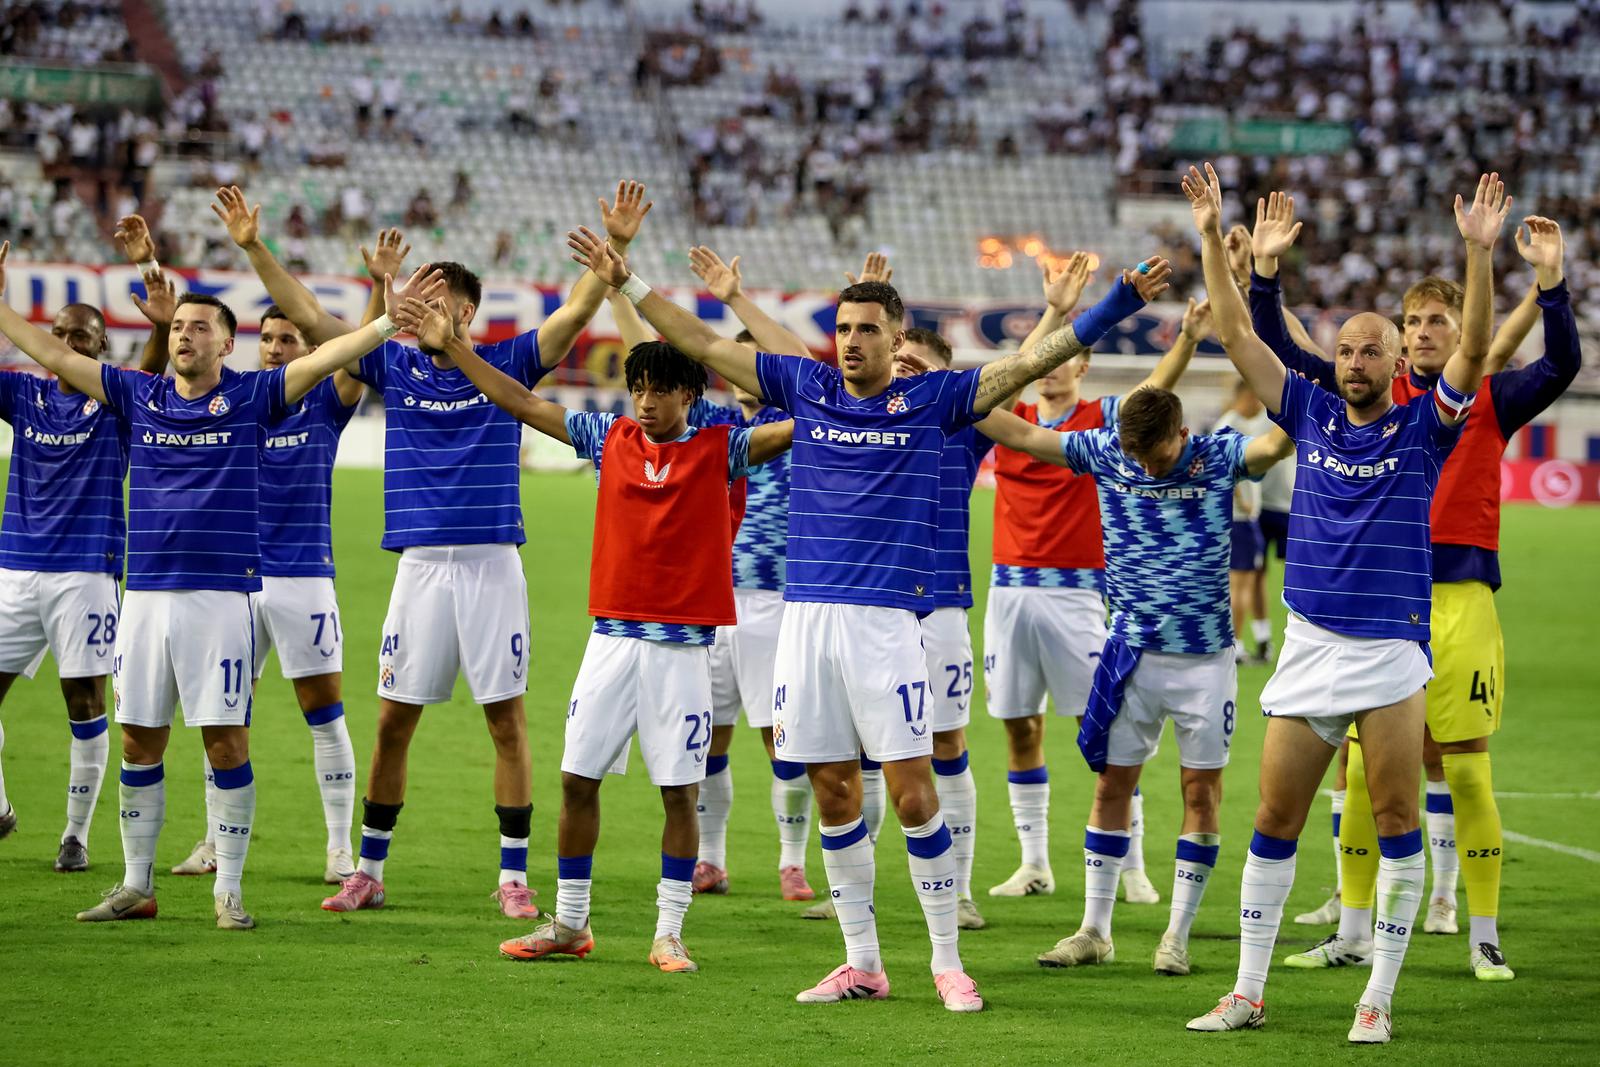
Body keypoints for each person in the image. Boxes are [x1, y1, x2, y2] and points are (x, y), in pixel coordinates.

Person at [567, 220, 1170, 1012]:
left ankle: (947, 961)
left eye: (866, 330)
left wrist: (1116, 302)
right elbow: (706, 346)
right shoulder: (807, 387)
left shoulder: (935, 399)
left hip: (886, 624)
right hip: (805, 622)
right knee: (832, 790)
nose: (850, 341)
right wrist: (630, 281)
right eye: (843, 328)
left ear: (895, 340)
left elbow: (1034, 359)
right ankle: (862, 962)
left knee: (914, 791)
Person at [211, 181, 650, 918]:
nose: (423, 308)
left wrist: (620, 251)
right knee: (392, 719)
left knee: (505, 720)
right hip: (419, 568)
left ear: (467, 312)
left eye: (437, 298)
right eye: (418, 297)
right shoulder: (395, 364)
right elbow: (316, 319)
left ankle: (513, 876)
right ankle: (368, 868)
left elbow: (576, 310)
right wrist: (255, 245)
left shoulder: (508, 360)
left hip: (490, 564)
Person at [0, 240, 439, 930]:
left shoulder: (251, 396)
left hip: (218, 600)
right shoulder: (137, 393)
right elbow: (55, 357)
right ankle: (137, 883)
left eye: (199, 326)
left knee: (225, 742)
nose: (184, 333)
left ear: (226, 344)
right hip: (143, 597)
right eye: (178, 326)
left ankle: (228, 889)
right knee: (140, 741)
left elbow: (325, 359)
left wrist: (384, 324)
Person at [1180, 163, 1504, 1044]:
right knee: (1274, 821)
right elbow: (1242, 335)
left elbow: (1473, 349)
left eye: (1374, 351)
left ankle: (1378, 999)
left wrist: (1478, 256)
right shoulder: (1310, 410)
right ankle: (1246, 991)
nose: (1358, 362)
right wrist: (1216, 238)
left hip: (1392, 654)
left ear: (1400, 364)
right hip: (1312, 645)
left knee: (1399, 819)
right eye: (1350, 349)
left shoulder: (1423, 426)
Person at [397, 299, 791, 973]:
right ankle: (571, 923)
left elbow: (805, 418)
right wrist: (458, 350)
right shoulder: (609, 439)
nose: (645, 401)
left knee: (678, 793)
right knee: (577, 780)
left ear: (690, 396)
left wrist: (836, 386)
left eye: (660, 390)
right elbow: (521, 401)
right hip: (609, 640)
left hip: (681, 650)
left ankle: (668, 931)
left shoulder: (720, 449)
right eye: (638, 388)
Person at [1252, 194, 1582, 982]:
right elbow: (1283, 349)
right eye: (1419, 322)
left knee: (1464, 768)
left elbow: (1563, 364)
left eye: (1442, 320)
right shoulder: (1367, 396)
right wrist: (1262, 278)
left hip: (1459, 599)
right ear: (1400, 343)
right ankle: (1356, 927)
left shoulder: (1486, 399)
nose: (1431, 332)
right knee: (1363, 774)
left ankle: (1483, 931)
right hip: (1375, 610)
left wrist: (1551, 286)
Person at [976, 384, 1294, 977]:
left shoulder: (1219, 455)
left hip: (1204, 660)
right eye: (1136, 455)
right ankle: (1095, 930)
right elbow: (1021, 434)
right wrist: (945, 397)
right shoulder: (1108, 450)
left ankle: (1176, 933)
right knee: (1110, 786)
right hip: (1131, 655)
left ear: (1181, 434)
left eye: (1156, 456)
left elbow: (1276, 444)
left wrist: (1309, 391)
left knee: (1200, 793)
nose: (1145, 467)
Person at [986, 261, 1212, 908]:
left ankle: (1132, 862)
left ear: (1083, 367)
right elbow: (1008, 376)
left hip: (1077, 593)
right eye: (1044, 361)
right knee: (1018, 728)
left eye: (1064, 360)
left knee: (1107, 731)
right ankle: (1034, 863)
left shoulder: (1100, 422)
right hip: (1008, 591)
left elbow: (1152, 398)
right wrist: (1054, 314)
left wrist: (1188, 341)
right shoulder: (1007, 413)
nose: (1051, 369)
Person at [164, 298, 368, 888]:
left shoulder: (326, 403)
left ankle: (338, 850)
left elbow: (358, 357)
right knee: (221, 712)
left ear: (310, 350)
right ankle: (212, 842)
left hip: (304, 577)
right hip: (235, 581)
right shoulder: (240, 403)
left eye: (289, 339)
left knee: (324, 713)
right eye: (269, 338)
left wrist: (378, 300)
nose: (276, 347)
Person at [0, 224, 171, 871]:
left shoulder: (116, 404)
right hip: (13, 569)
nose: (68, 344)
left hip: (86, 575)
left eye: (83, 337)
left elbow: (151, 369)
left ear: (103, 348)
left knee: (86, 703)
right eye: (62, 333)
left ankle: (75, 834)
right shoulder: (24, 392)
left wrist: (157, 326)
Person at [675, 246, 820, 902]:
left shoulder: (803, 425)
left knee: (781, 738)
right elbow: (654, 365)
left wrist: (737, 297)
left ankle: (792, 858)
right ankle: (710, 858)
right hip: (709, 599)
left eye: (749, 362)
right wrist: (617, 286)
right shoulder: (709, 426)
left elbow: (808, 369)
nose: (736, 371)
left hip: (772, 599)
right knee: (707, 735)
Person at [1213, 379, 1272, 662]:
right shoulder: (1230, 426)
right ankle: (1234, 645)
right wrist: (1241, 499)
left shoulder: (1234, 423)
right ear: (1247, 396)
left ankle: (1238, 643)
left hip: (1237, 519)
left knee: (1241, 583)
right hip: (1239, 519)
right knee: (1240, 585)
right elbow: (1224, 469)